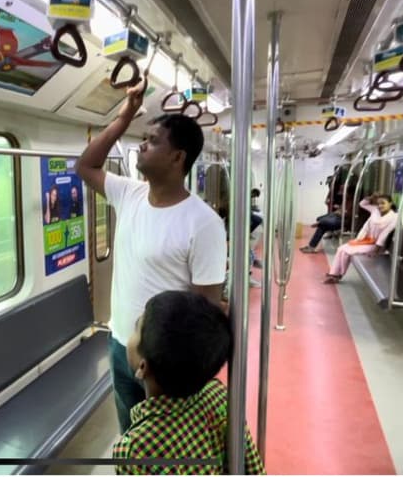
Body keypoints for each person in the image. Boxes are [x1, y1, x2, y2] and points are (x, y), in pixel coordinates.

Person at [75, 80, 227, 433]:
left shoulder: (203, 223)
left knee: (163, 444)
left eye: (153, 140)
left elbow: (205, 310)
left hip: (165, 362)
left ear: (177, 157)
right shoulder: (128, 193)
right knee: (130, 436)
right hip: (120, 344)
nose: (142, 145)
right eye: (143, 138)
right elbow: (85, 166)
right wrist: (125, 116)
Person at [112, 290, 265, 475]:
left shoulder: (134, 451)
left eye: (136, 328)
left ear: (143, 367)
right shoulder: (219, 397)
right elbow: (252, 466)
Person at [324, 193, 397, 284]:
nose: (380, 206)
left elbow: (384, 235)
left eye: (383, 203)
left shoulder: (394, 217)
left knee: (346, 251)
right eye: (378, 203)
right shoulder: (375, 211)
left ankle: (339, 275)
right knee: (341, 249)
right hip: (365, 240)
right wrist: (371, 197)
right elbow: (362, 204)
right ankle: (333, 273)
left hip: (376, 245)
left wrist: (376, 250)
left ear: (390, 203)